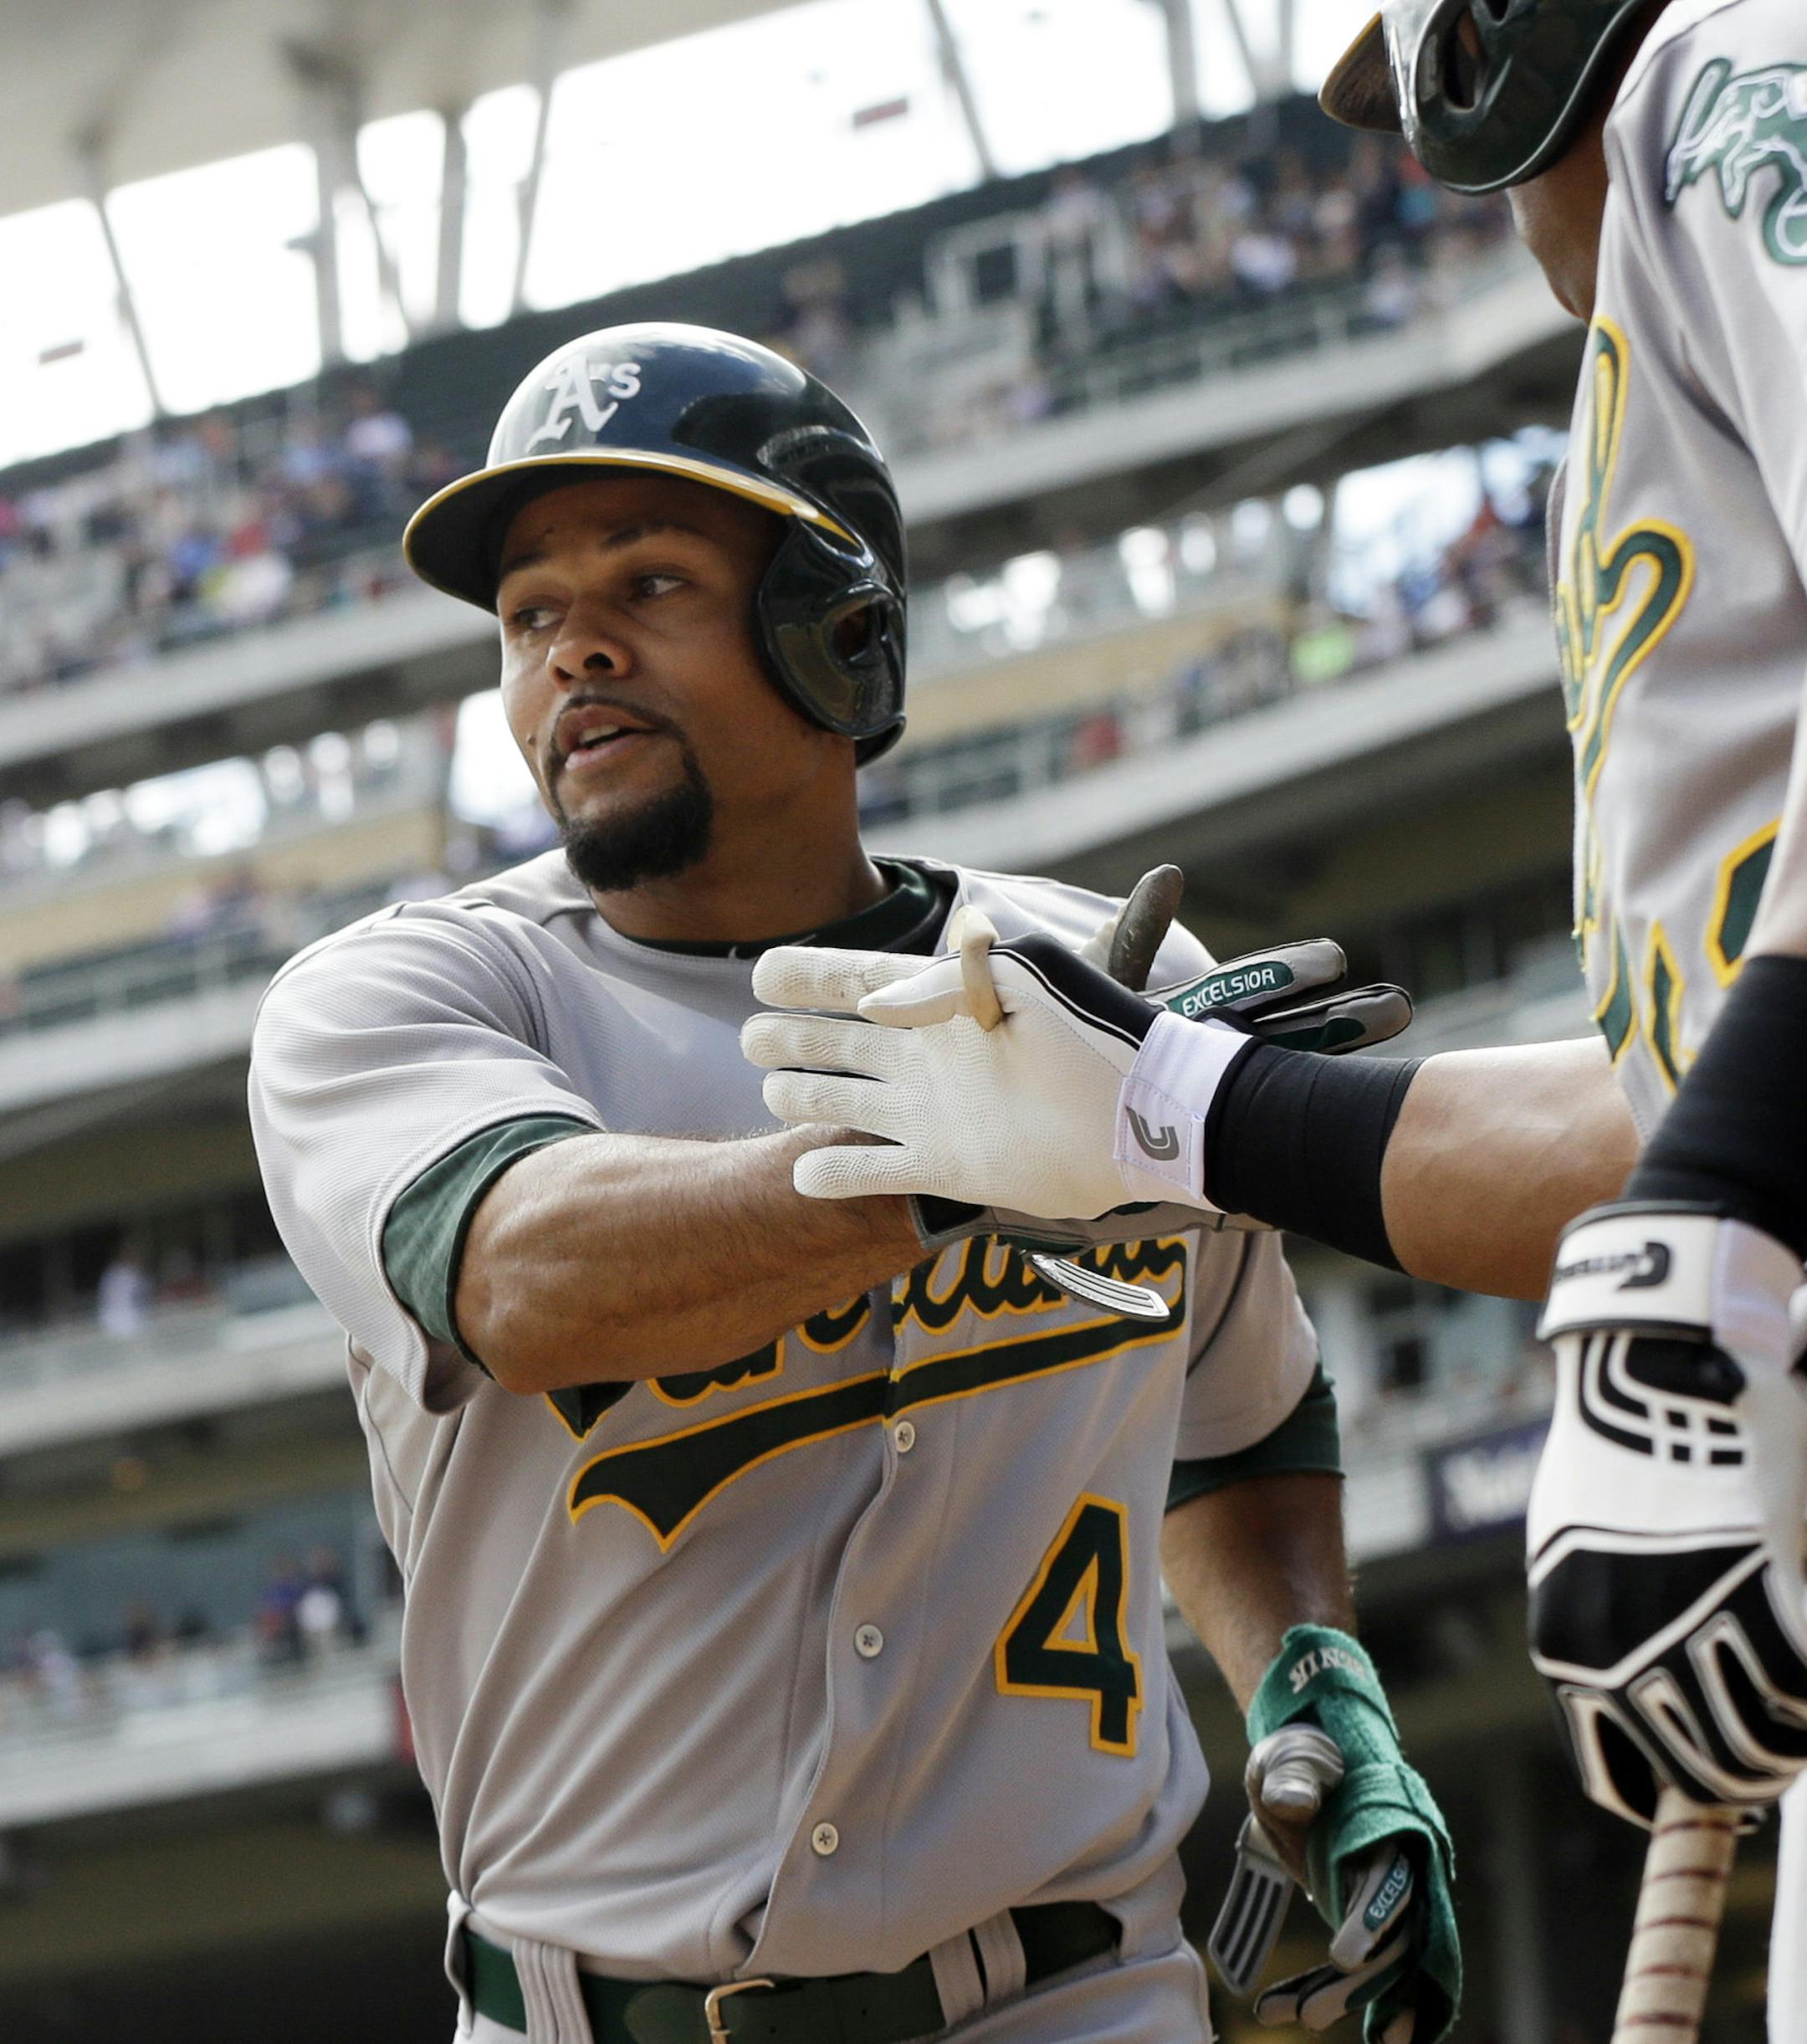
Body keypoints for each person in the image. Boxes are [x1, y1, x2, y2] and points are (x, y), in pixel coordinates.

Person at [742, 3, 1807, 2034]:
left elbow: (1712, 1150)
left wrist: (1712, 1251)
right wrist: (1193, 1118)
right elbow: (1666, 1108)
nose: (1418, 157)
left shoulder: (1734, 77)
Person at [249, 323, 1457, 2044]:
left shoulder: (1094, 973)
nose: (571, 646)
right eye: (528, 615)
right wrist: (975, 1149)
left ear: (842, 629)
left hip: (1078, 1998)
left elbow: (1239, 1419)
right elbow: (523, 1276)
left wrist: (1313, 1674)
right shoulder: (401, 996)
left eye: (649, 582)